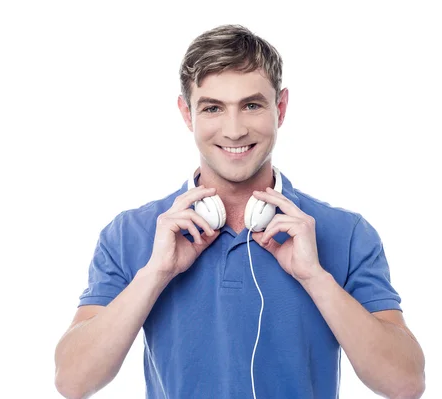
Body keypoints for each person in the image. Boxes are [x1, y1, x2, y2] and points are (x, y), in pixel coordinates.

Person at [54, 24, 426, 399]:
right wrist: (155, 273)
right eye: (213, 108)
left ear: (280, 108)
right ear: (187, 114)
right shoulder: (128, 233)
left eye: (251, 105)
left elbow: (406, 384)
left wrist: (315, 277)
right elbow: (73, 382)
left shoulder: (346, 233)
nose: (233, 130)